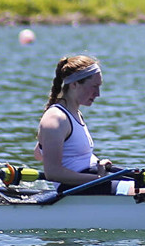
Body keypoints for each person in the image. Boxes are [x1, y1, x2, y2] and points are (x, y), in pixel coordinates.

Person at [35, 55, 118, 187]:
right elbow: (52, 173)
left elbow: (39, 154)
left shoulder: (74, 114)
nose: (98, 94)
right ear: (74, 84)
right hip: (74, 188)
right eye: (94, 86)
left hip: (90, 181)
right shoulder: (56, 119)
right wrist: (99, 178)